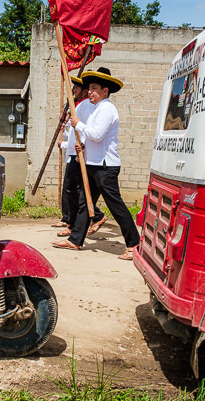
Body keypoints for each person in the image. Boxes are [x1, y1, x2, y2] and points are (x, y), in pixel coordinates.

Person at [53, 67, 140, 260]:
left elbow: (98, 135)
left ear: (105, 91)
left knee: (115, 205)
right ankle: (76, 239)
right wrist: (81, 145)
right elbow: (89, 137)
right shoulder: (94, 109)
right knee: (85, 203)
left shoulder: (107, 109)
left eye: (94, 88)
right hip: (92, 163)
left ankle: (134, 244)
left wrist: (78, 125)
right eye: (89, 88)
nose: (89, 92)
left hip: (105, 166)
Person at [53, 76, 106, 237]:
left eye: (76, 89)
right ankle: (74, 223)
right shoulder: (79, 106)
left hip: (79, 154)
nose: (74, 91)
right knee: (72, 190)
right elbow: (72, 132)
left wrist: (76, 148)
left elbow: (85, 131)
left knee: (75, 190)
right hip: (74, 153)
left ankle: (90, 218)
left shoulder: (86, 106)